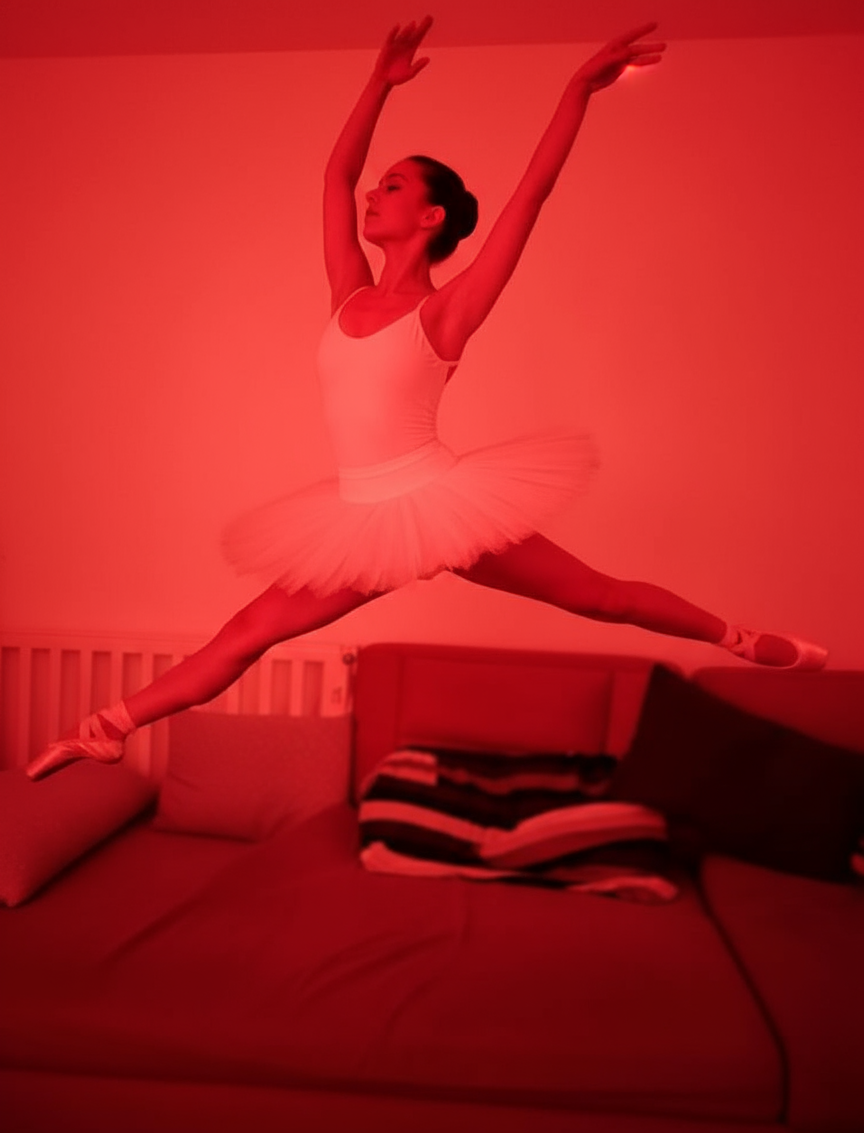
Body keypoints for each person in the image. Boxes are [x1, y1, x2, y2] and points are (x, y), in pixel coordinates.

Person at [27, 18, 826, 781]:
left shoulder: (447, 310)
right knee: (244, 636)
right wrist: (379, 83)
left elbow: (532, 196)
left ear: (431, 216)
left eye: (395, 187)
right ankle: (107, 729)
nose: (374, 195)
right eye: (380, 185)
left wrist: (577, 89)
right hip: (360, 518)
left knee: (601, 597)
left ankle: (742, 638)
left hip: (436, 496)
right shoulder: (348, 290)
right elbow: (335, 175)